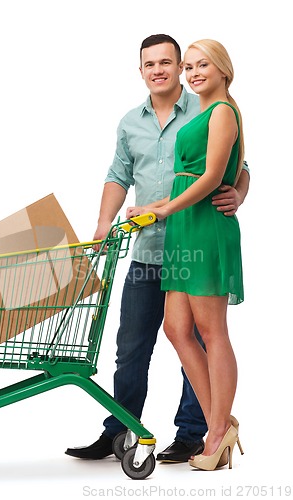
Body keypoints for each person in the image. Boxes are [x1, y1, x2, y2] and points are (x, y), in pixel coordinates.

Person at [65, 34, 250, 463]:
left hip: (193, 240)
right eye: (151, 64)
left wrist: (238, 193)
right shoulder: (131, 122)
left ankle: (196, 432)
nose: (161, 70)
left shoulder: (204, 107)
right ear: (142, 70)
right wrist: (101, 223)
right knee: (137, 342)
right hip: (150, 249)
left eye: (170, 62)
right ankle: (121, 428)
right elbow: (118, 174)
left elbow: (236, 165)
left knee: (202, 337)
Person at [126, 39, 245, 470]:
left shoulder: (223, 112)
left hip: (204, 226)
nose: (193, 73)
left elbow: (216, 175)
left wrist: (161, 208)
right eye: (190, 67)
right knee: (177, 328)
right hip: (182, 230)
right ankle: (221, 421)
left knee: (212, 331)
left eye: (202, 66)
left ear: (223, 70)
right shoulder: (201, 112)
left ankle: (215, 432)